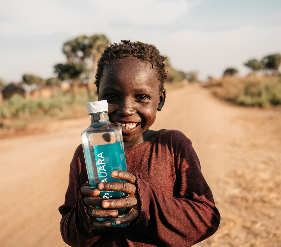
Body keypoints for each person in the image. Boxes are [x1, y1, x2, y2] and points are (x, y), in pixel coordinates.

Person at [59, 40, 220, 247]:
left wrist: (144, 202)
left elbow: (206, 219)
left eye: (142, 97)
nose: (126, 109)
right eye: (111, 96)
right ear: (98, 97)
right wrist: (87, 213)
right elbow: (69, 233)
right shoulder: (85, 153)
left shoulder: (172, 146)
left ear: (160, 100)